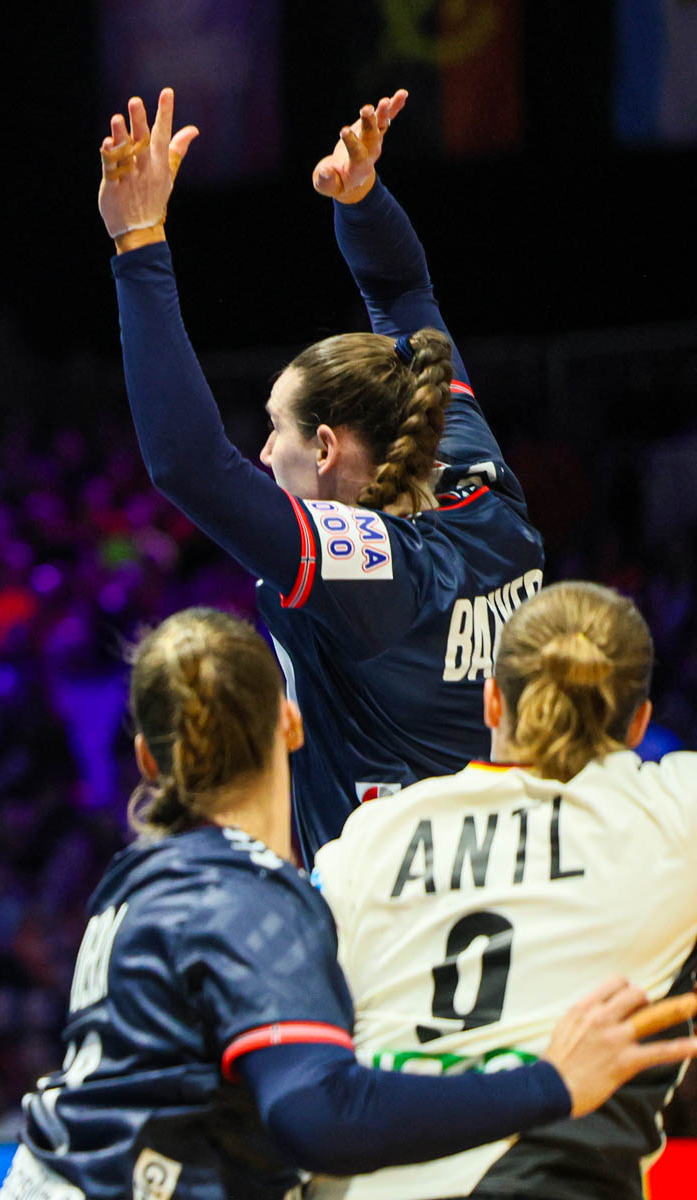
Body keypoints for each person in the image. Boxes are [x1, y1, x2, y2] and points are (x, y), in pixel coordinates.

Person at [0, 607, 696, 1200]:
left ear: (149, 758)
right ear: (293, 724)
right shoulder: (251, 904)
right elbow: (318, 1113)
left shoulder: (137, 878)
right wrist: (551, 1084)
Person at [97, 87, 544, 860]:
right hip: (529, 889)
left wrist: (140, 247)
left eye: (277, 430)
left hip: (388, 941)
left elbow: (189, 465)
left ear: (330, 449)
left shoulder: (376, 574)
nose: (265, 454)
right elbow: (403, 292)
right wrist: (362, 200)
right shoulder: (473, 468)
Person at [312, 581, 697, 1199]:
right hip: (545, 1179)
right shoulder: (675, 815)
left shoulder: (367, 837)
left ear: (491, 701)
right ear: (641, 723)